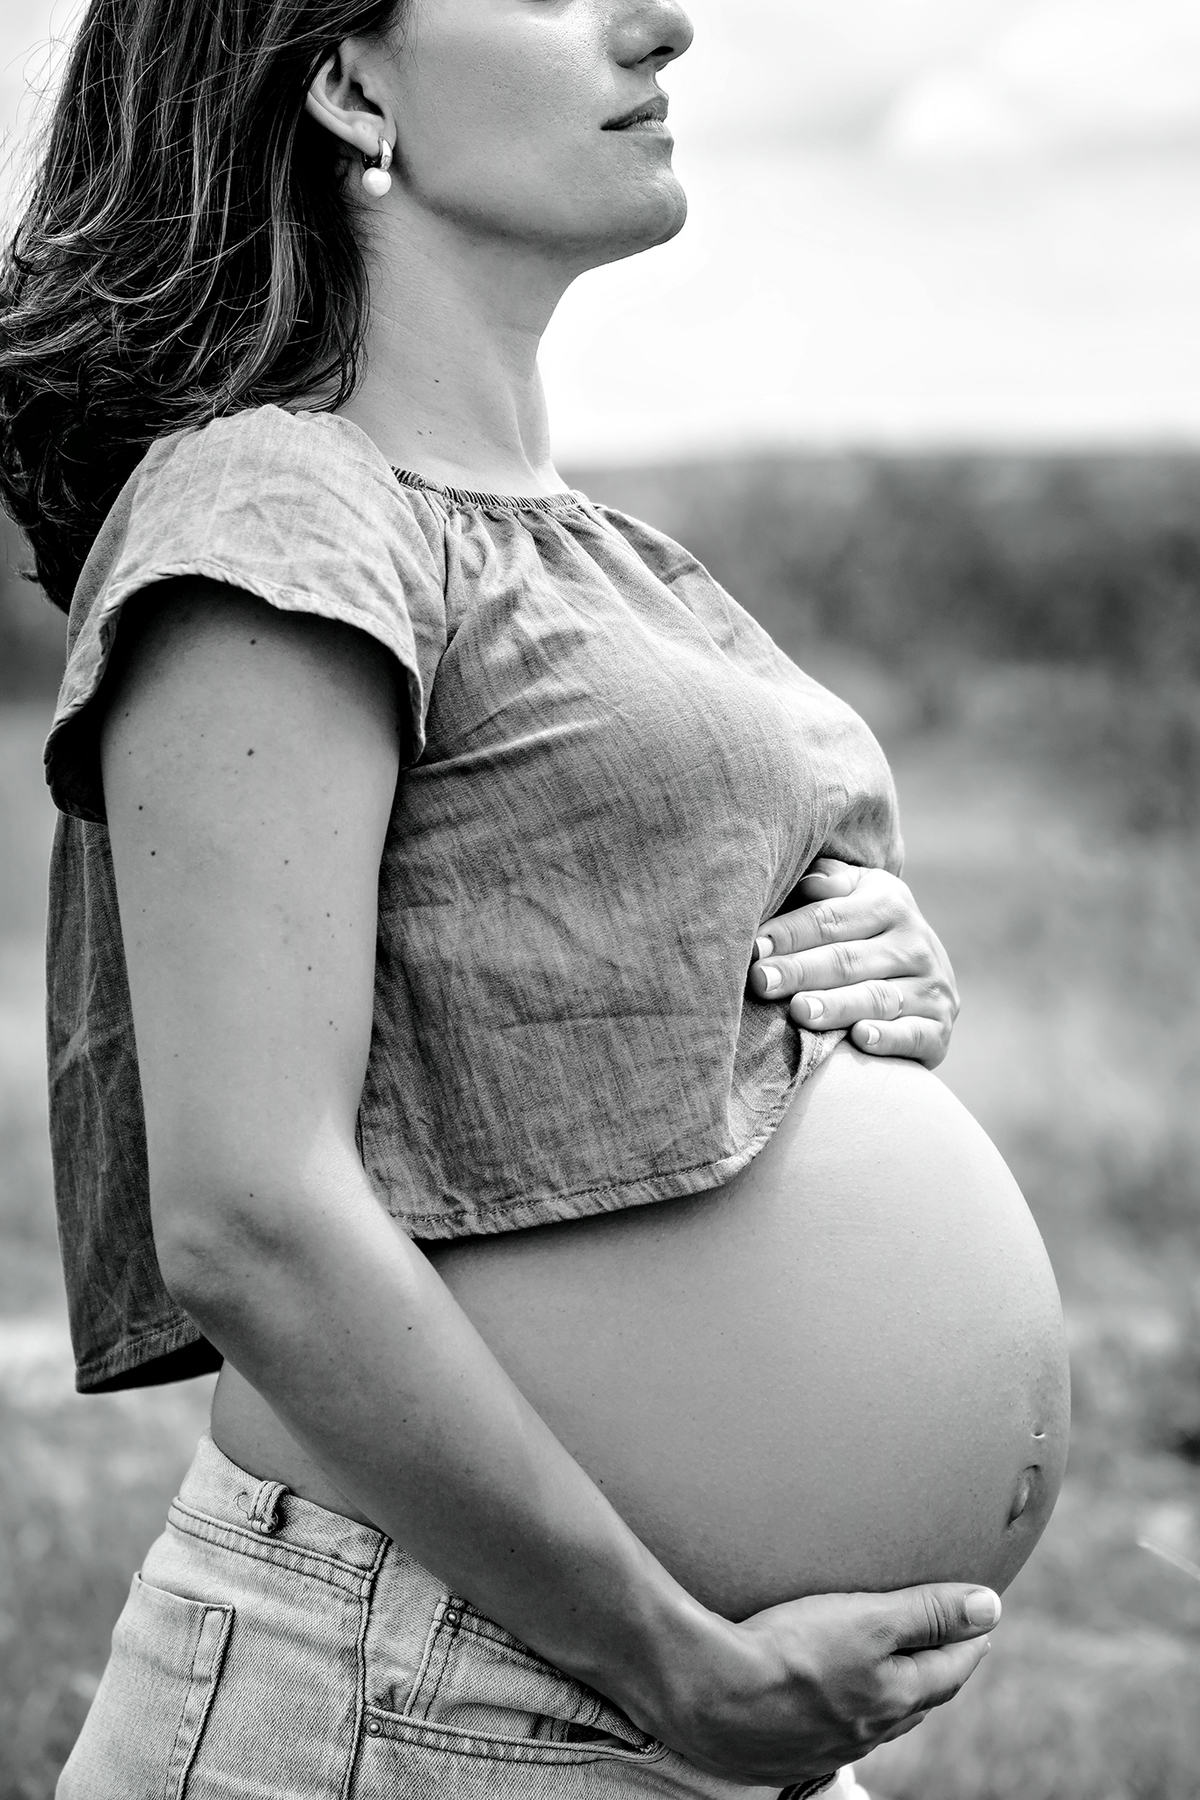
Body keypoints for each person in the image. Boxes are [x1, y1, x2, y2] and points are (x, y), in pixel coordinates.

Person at [0, 1, 1070, 1795]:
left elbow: (541, 999)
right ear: (348, 81)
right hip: (435, 1689)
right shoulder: (277, 512)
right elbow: (251, 1213)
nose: (663, 23)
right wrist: (671, 1661)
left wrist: (852, 989)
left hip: (631, 1700)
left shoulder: (574, 538)